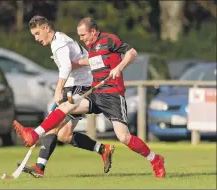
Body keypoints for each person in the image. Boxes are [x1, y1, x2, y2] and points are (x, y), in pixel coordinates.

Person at [14, 17, 166, 178]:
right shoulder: (90, 46)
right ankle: (34, 134)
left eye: (83, 35)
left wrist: (119, 68)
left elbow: (132, 53)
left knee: (124, 137)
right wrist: (76, 63)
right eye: (79, 36)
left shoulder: (109, 39)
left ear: (93, 31)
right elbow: (91, 60)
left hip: (113, 95)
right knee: (66, 107)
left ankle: (155, 160)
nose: (81, 39)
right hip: (96, 93)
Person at [17, 15, 115, 178]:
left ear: (46, 28)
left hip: (80, 87)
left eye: (37, 33)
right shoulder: (58, 41)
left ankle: (40, 166)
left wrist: (58, 89)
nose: (36, 38)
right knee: (64, 135)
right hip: (76, 85)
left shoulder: (59, 43)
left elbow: (67, 67)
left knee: (53, 126)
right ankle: (103, 149)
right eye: (33, 35)